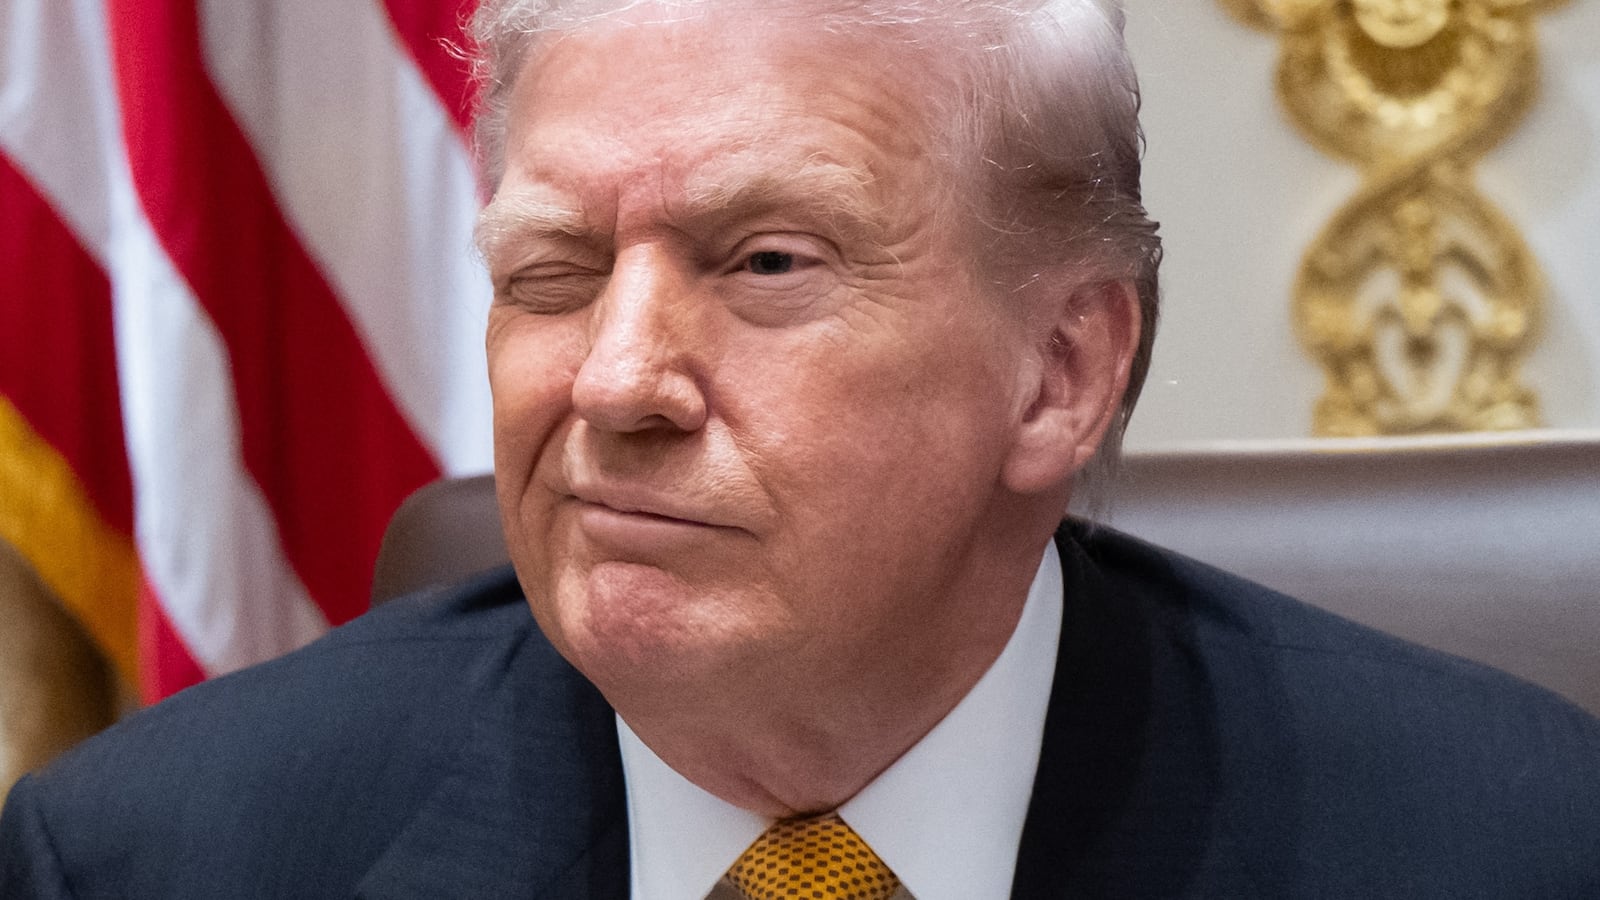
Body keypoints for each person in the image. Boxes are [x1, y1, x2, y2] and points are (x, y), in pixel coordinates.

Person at [3, 1, 1597, 897]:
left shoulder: (1514, 848)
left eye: (767, 263)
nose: (615, 380)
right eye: (550, 273)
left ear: (1060, 373)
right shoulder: (159, 859)